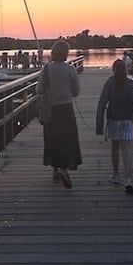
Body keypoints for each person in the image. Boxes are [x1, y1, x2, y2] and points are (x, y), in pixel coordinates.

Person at [96, 59, 133, 193]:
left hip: (113, 120)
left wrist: (99, 125)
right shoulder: (131, 84)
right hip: (127, 120)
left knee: (115, 148)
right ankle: (129, 179)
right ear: (126, 70)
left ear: (113, 70)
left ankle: (116, 174)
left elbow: (101, 104)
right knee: (127, 149)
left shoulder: (109, 83)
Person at [38, 39, 82, 188]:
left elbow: (39, 90)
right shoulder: (70, 70)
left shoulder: (46, 69)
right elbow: (76, 91)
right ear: (66, 54)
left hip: (51, 110)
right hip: (66, 109)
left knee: (52, 140)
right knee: (66, 139)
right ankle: (63, 168)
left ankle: (56, 171)